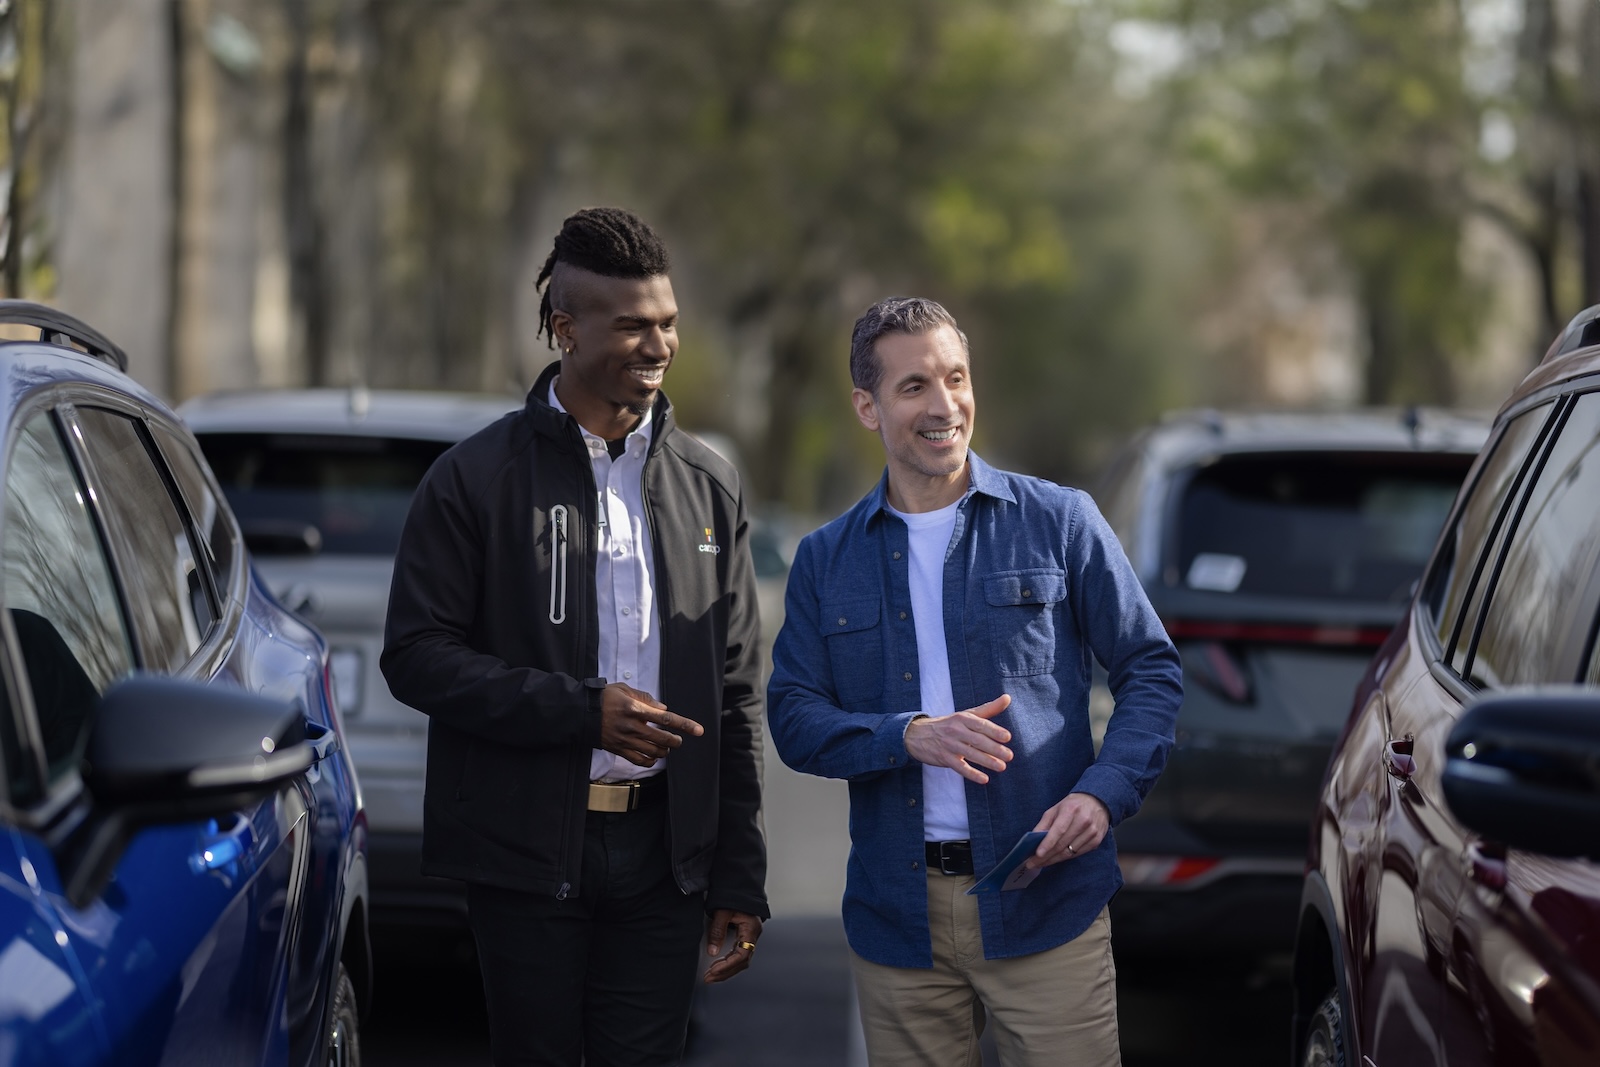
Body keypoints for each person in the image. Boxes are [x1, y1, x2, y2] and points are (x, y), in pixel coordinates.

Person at [382, 207, 768, 1067]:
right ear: (565, 329)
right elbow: (415, 654)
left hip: (665, 857)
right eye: (632, 325)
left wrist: (738, 870)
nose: (659, 344)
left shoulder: (708, 485)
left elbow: (736, 687)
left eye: (667, 322)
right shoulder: (474, 478)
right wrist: (581, 712)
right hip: (525, 853)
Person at [766, 297, 1182, 1066]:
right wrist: (906, 735)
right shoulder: (827, 559)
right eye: (914, 385)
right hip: (899, 919)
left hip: (1045, 898)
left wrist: (1103, 791)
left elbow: (1149, 666)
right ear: (867, 405)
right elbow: (792, 715)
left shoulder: (1060, 520)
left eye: (956, 378)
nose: (945, 404)